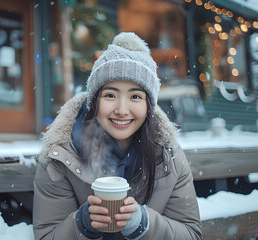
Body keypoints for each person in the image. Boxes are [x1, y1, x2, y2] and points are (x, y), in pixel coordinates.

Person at [33, 32, 202, 240]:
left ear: (149, 106)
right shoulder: (60, 157)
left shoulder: (169, 157)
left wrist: (144, 224)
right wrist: (82, 224)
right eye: (110, 95)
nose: (122, 110)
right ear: (94, 102)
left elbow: (192, 234)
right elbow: (47, 235)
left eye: (135, 96)